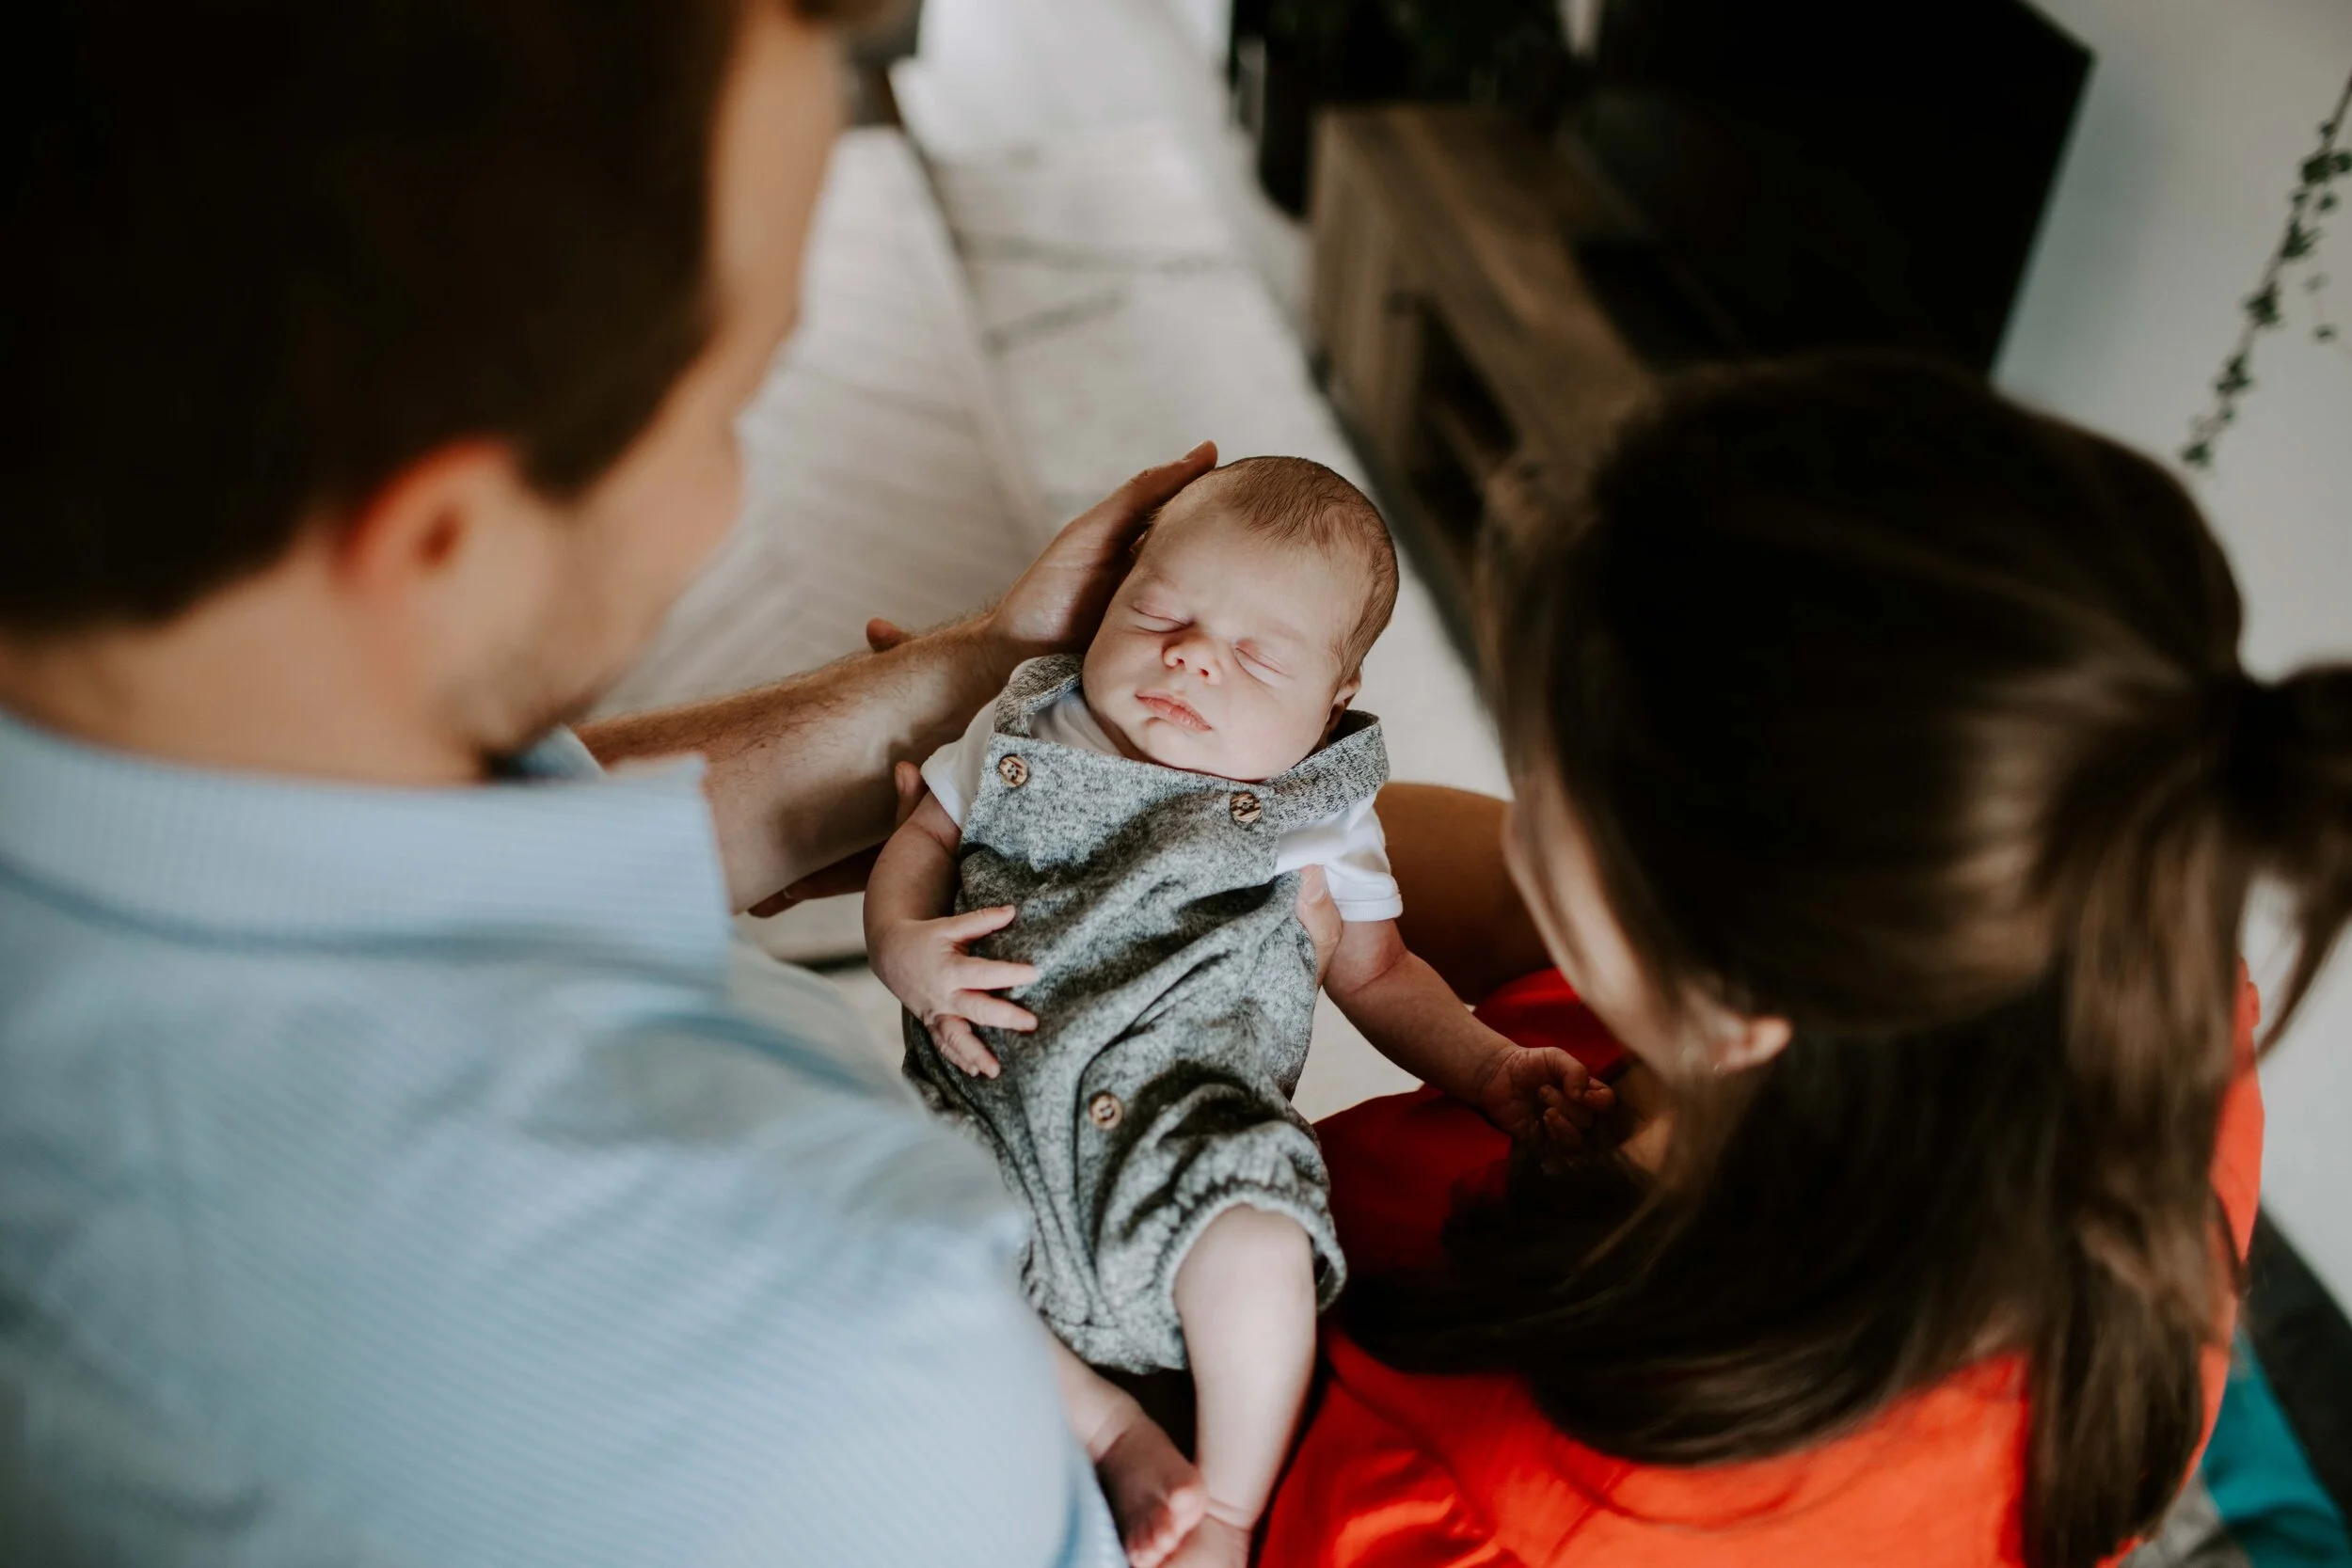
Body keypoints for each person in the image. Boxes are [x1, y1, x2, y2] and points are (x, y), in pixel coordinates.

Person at [0, 2, 1255, 1562]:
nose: (732, 490)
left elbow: (408, 824)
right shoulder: (806, 1343)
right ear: (442, 544)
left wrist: (986, 683)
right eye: (727, 412)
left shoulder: (158, 704)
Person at [1261, 356, 2352, 1568]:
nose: (1524, 805)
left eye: (1554, 776)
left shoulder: (1466, 1497)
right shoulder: (2134, 972)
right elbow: (1504, 893)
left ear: (1727, 996)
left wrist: (1003, 685)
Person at [865, 458, 1608, 1568]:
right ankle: (1109, 1427)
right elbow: (916, 844)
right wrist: (902, 946)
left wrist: (1490, 1069)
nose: (1191, 655)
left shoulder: (1324, 814)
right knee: (892, 1235)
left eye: (1256, 657)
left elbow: (1378, 970)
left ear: (1332, 702)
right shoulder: (1027, 725)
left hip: (1191, 1144)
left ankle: (1226, 1508)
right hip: (985, 1118)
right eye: (1159, 611)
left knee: (1261, 1251)